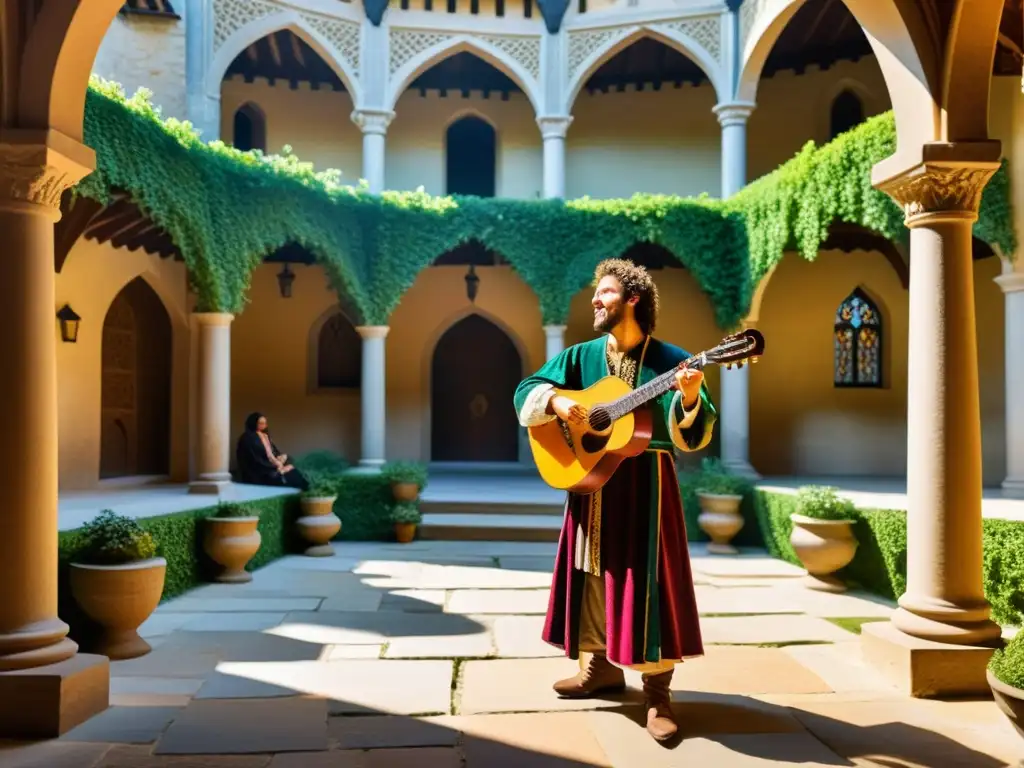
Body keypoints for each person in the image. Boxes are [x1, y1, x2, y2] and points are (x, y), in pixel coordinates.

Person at [513, 258, 716, 743]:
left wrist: (688, 398)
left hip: (647, 489)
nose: (594, 301)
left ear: (633, 299)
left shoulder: (672, 361)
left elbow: (696, 431)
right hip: (591, 485)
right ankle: (599, 667)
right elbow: (527, 389)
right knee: (590, 573)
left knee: (648, 584)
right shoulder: (580, 357)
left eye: (603, 293)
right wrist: (559, 402)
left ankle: (657, 693)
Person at [235, 412, 309, 491]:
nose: (263, 425)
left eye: (265, 423)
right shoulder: (248, 438)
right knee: (294, 476)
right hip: (261, 473)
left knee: (296, 468)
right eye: (260, 423)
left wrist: (281, 457)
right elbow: (256, 460)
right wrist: (276, 466)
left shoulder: (265, 436)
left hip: (272, 467)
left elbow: (273, 452)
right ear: (254, 423)